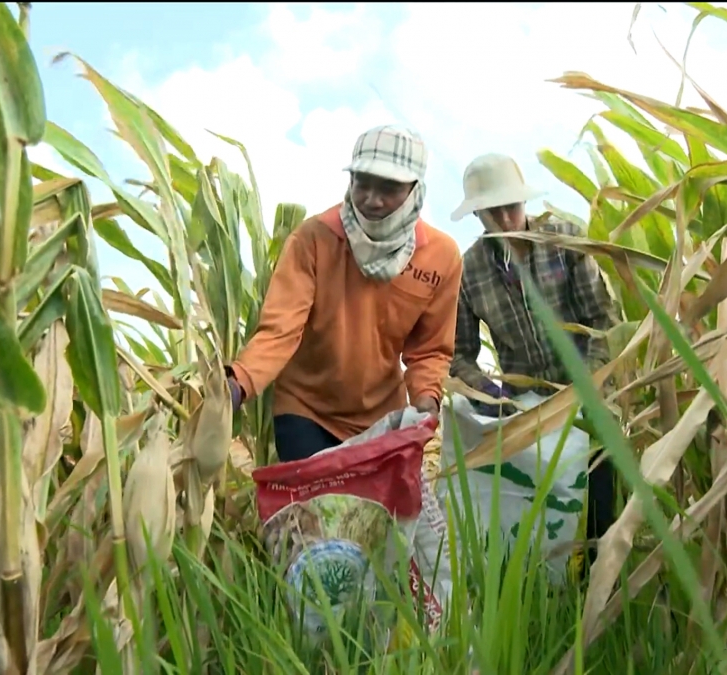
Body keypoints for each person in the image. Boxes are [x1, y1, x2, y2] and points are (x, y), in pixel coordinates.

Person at [225, 125, 464, 463]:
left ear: (415, 191)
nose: (371, 199)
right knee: (315, 509)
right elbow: (280, 330)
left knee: (376, 516)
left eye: (389, 188)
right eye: (362, 182)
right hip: (305, 407)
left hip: (381, 418)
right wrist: (238, 383)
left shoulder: (440, 256)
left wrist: (426, 401)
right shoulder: (314, 239)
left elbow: (429, 351)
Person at [448, 152, 618, 572]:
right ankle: (540, 591)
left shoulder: (565, 241)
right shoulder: (469, 272)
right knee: (536, 514)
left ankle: (599, 597)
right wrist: (485, 389)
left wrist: (586, 388)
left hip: (590, 408)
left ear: (524, 202)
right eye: (493, 211)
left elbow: (604, 322)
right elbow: (458, 354)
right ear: (478, 214)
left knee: (598, 514)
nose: (505, 218)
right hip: (527, 416)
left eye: (511, 206)